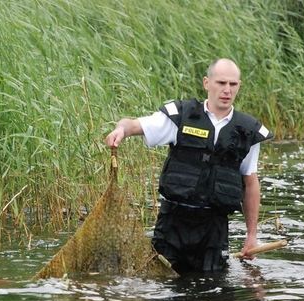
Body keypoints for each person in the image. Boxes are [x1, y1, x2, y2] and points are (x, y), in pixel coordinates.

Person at [104, 58, 273, 274]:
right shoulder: (181, 116)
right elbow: (133, 124)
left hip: (214, 230)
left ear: (239, 86)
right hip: (172, 225)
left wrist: (251, 236)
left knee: (212, 296)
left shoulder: (247, 131)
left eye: (233, 84)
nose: (227, 90)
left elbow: (250, 183)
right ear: (206, 83)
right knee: (163, 294)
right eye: (221, 83)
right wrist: (121, 130)